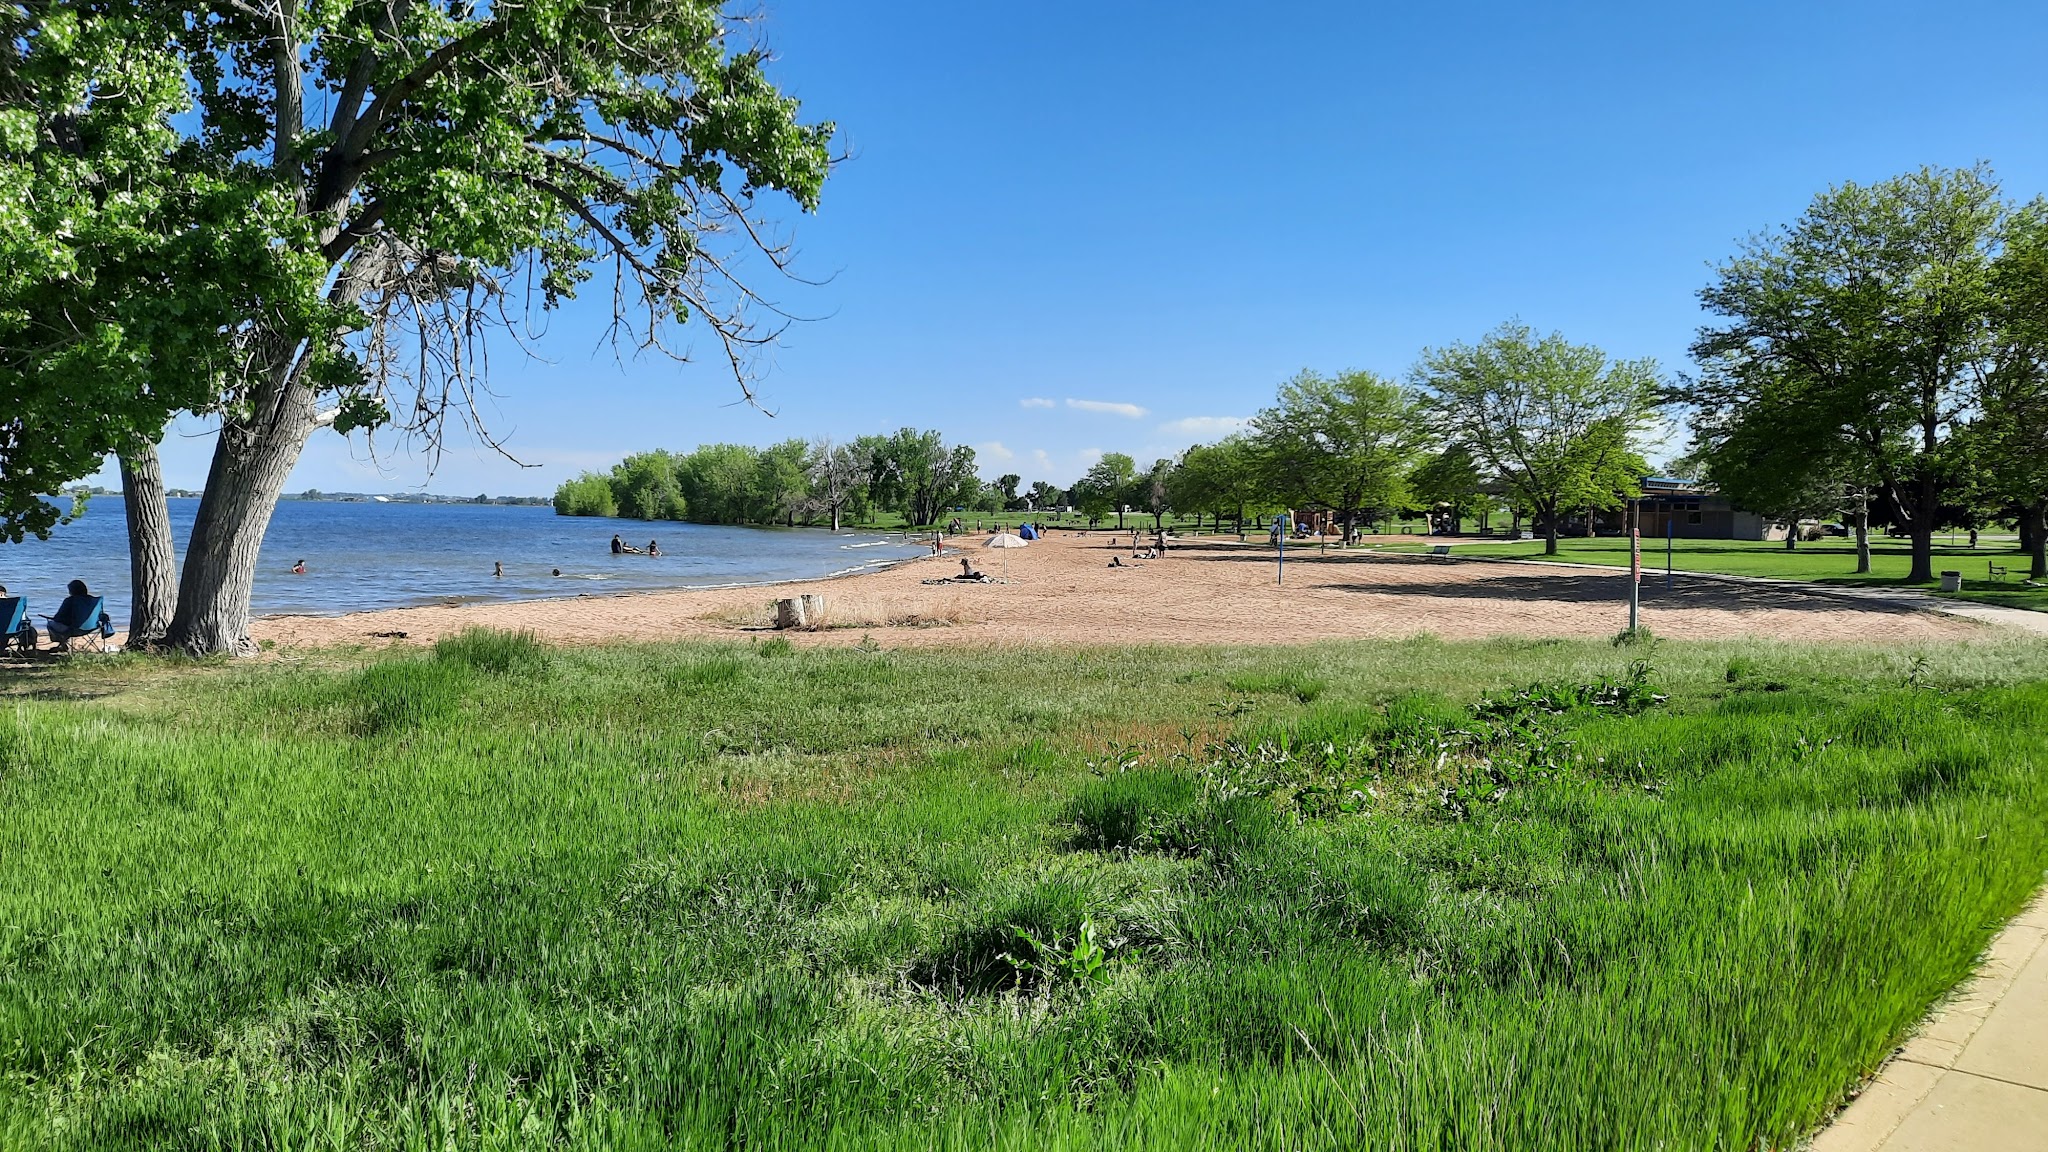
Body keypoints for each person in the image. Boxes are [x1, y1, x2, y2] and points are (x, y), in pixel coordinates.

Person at [46, 579, 113, 646]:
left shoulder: (70, 600)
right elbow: (100, 615)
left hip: (74, 630)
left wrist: (52, 619)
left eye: (69, 590)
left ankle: (62, 644)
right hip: (92, 628)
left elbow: (58, 617)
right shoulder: (93, 601)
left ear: (73, 590)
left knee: (50, 624)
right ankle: (62, 644)